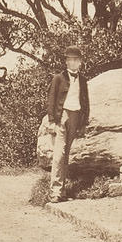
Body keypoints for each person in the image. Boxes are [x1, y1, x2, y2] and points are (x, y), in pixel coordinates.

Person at [45, 46, 90, 203]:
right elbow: (51, 100)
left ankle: (61, 191)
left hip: (76, 117)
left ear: (80, 62)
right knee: (59, 154)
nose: (73, 63)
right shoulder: (58, 78)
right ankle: (55, 192)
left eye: (76, 60)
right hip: (62, 116)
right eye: (70, 60)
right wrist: (51, 121)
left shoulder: (83, 80)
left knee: (66, 155)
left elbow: (85, 102)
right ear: (66, 62)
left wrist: (84, 123)